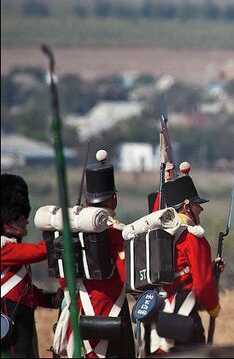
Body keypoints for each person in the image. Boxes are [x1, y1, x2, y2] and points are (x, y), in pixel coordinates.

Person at [52, 149, 135, 358]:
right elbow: (127, 277)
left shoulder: (71, 231)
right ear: (113, 199)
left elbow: (64, 279)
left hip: (79, 314)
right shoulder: (117, 233)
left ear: (88, 201)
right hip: (111, 316)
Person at [149, 162, 221, 354]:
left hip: (157, 314)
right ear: (187, 206)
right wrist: (213, 307)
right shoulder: (193, 237)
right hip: (184, 315)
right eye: (197, 204)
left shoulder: (158, 232)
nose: (201, 209)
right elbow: (203, 285)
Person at [1, 174, 61, 358]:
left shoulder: (11, 247)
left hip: (21, 321)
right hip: (8, 323)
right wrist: (60, 239)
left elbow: (24, 290)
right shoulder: (4, 248)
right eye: (21, 216)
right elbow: (36, 252)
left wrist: (50, 299)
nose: (26, 220)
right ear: (9, 219)